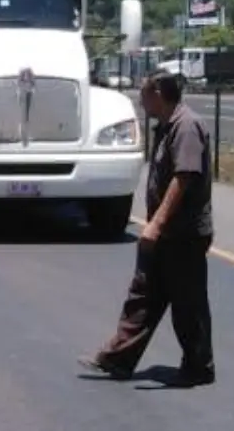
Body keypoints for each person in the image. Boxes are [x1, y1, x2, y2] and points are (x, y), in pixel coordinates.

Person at [79, 70, 215, 386]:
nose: (141, 101)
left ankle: (198, 366)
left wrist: (155, 223)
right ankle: (118, 359)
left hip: (183, 234)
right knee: (144, 295)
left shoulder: (186, 128)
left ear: (157, 94)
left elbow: (184, 178)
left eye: (143, 95)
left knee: (187, 303)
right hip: (167, 233)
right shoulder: (168, 127)